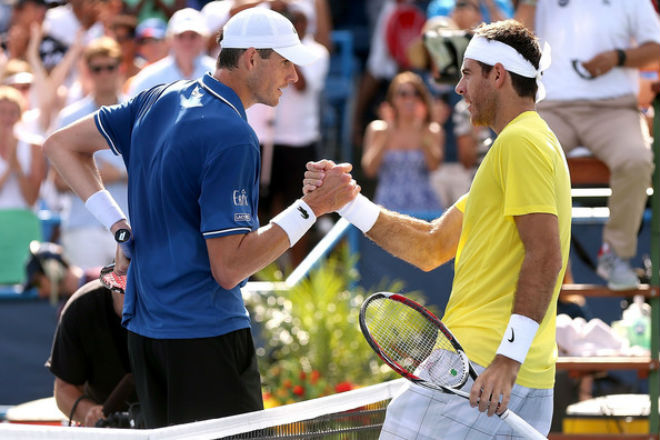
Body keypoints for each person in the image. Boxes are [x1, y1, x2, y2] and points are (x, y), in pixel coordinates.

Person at [43, 7, 358, 428]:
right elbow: (229, 268)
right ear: (251, 58)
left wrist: (120, 228)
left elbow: (59, 144)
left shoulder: (160, 97)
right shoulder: (234, 134)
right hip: (204, 339)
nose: (293, 77)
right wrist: (310, 209)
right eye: (285, 63)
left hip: (147, 338)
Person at [305, 20, 570, 438]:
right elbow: (430, 246)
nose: (459, 88)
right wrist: (348, 203)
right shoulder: (520, 146)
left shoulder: (522, 143)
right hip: (509, 374)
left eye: (467, 73)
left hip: (483, 368)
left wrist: (507, 360)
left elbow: (546, 254)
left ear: (497, 75)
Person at [518, 0, 660, 291]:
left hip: (615, 109)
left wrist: (618, 57)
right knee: (522, 157)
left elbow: (655, 49)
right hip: (551, 107)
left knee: (636, 160)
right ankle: (536, 256)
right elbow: (516, 48)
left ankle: (616, 255)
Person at [51, 37, 129, 270]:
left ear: (120, 68)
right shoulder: (69, 117)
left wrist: (111, 173)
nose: (104, 74)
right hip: (83, 226)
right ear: (88, 72)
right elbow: (57, 181)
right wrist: (108, 175)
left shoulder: (140, 113)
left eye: (110, 67)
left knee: (134, 302)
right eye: (97, 68)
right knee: (86, 302)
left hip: (131, 224)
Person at [45, 279, 137, 427]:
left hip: (173, 426)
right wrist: (89, 412)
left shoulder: (178, 303)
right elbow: (64, 388)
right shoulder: (81, 307)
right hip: (107, 430)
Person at [361, 70, 443, 212]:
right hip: (388, 205)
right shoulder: (377, 129)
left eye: (415, 94)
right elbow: (369, 170)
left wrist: (423, 132)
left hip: (424, 208)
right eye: (403, 94)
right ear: (393, 99)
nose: (409, 99)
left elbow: (434, 166)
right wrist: (387, 133)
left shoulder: (432, 130)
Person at [127, 8, 215, 96]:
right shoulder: (149, 77)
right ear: (170, 40)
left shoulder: (218, 74)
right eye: (180, 36)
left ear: (204, 39)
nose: (187, 42)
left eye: (193, 36)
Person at [0, 85, 46, 209]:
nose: (7, 118)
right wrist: (10, 168)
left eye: (12, 113)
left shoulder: (34, 146)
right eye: (2, 112)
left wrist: (17, 166)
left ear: (20, 116)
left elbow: (31, 199)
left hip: (24, 219)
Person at [24, 241, 101, 304]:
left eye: (38, 284)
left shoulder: (103, 283)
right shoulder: (66, 311)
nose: (40, 294)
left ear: (53, 271)